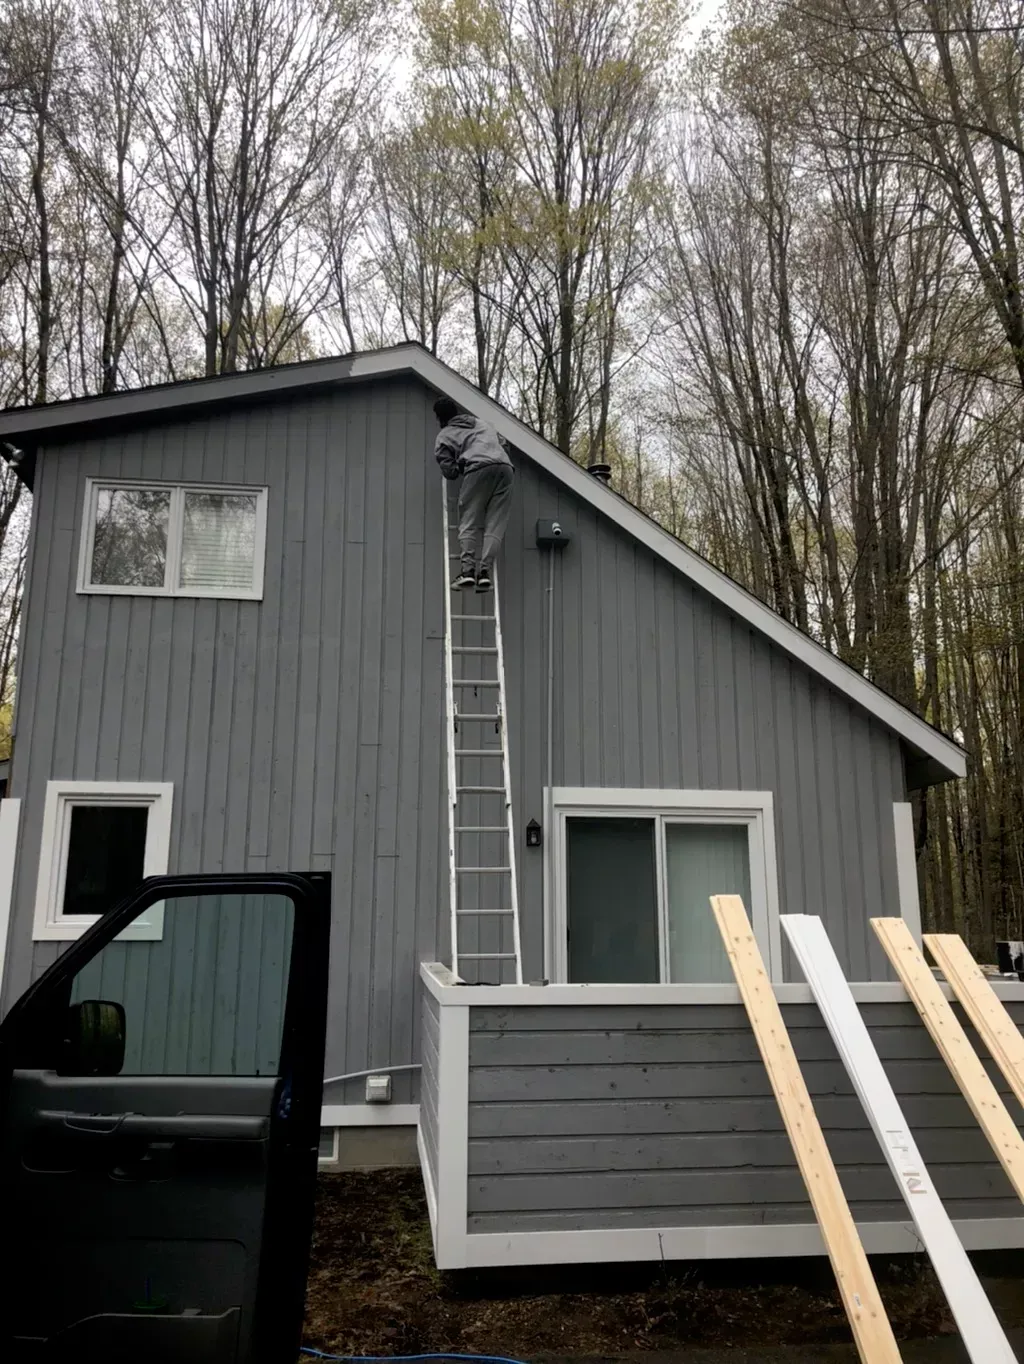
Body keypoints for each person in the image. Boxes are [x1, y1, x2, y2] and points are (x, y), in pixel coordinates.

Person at [434, 396, 515, 592]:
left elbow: (449, 471)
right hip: (506, 468)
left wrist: (461, 465)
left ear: (440, 418)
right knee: (495, 523)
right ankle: (484, 572)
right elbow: (504, 445)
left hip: (478, 468)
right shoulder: (483, 424)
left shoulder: (445, 435)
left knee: (469, 519)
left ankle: (468, 571)